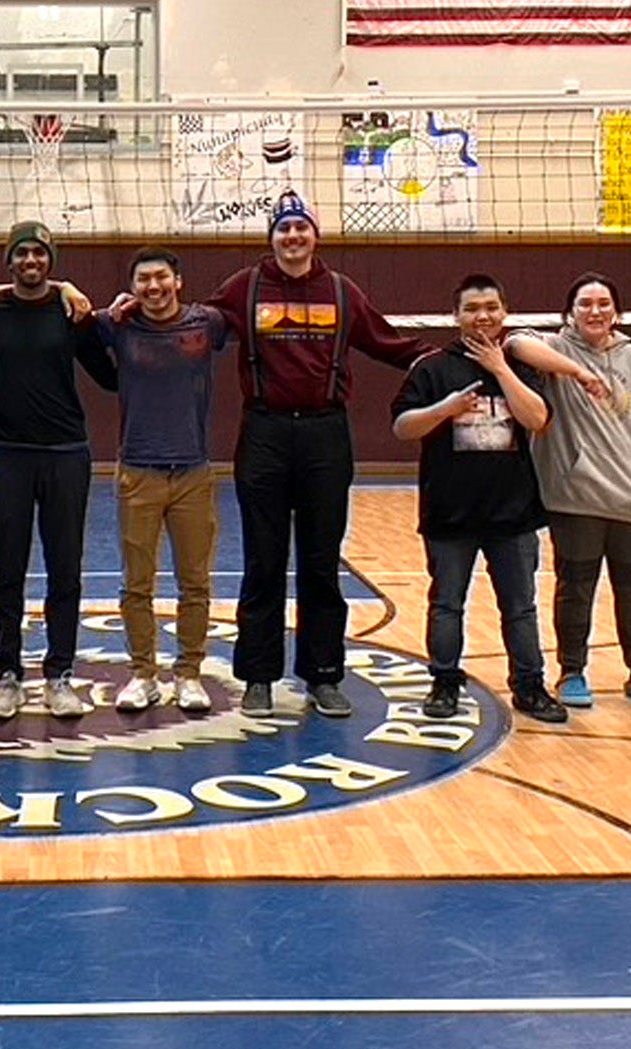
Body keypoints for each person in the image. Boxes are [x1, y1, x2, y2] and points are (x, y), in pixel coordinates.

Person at [207, 189, 427, 718]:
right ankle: (258, 676)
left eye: (301, 227)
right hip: (264, 434)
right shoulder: (245, 288)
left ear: (315, 235)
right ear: (272, 238)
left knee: (321, 562)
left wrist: (457, 360)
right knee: (263, 561)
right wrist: (128, 315)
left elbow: (391, 345)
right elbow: (194, 325)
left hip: (326, 436)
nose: (293, 236)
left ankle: (323, 675)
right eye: (283, 228)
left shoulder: (342, 292)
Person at [392, 274, 568, 725]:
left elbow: (539, 419)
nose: (482, 316)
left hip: (512, 512)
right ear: (456, 316)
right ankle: (445, 684)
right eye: (472, 309)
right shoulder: (432, 367)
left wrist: (500, 370)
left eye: (491, 307)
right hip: (450, 512)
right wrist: (443, 409)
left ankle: (529, 687)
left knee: (520, 606)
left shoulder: (521, 364)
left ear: (504, 312)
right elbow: (402, 426)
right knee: (447, 603)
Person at [508, 273, 631, 710]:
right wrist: (578, 371)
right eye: (585, 304)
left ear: (616, 312)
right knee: (576, 586)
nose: (595, 311)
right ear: (570, 313)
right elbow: (513, 343)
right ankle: (572, 672)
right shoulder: (556, 351)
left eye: (604, 303)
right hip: (577, 496)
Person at [0, 221, 113, 721]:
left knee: (64, 567)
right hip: (8, 454)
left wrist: (118, 321)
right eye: (22, 254)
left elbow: (110, 378)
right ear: (9, 261)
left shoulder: (71, 311)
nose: (31, 261)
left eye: (40, 254)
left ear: (51, 260)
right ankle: (7, 676)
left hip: (67, 453)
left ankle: (60, 675)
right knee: (7, 568)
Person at [95, 247, 230, 715]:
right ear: (132, 288)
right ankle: (142, 674)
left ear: (178, 281)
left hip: (193, 472)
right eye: (142, 280)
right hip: (138, 472)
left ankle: (189, 673)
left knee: (195, 582)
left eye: (160, 278)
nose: (152, 287)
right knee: (137, 583)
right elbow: (74, 317)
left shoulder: (207, 323)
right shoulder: (118, 324)